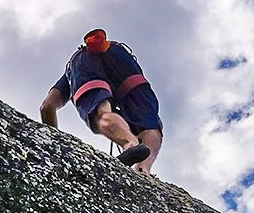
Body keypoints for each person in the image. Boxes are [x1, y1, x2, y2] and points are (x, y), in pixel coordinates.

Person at [39, 29, 163, 173]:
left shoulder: (72, 72)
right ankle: (143, 169)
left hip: (82, 63)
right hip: (120, 56)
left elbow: (47, 107)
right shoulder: (115, 50)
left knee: (101, 112)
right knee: (148, 122)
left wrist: (54, 142)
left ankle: (130, 144)